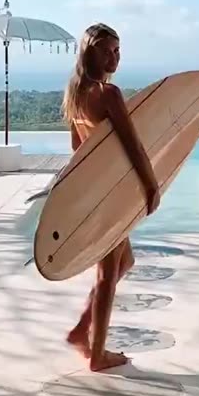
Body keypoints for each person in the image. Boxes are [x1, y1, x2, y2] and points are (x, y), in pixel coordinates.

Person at [62, 23, 161, 372]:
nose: (114, 57)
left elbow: (77, 148)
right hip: (112, 194)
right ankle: (98, 354)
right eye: (107, 51)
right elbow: (134, 146)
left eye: (117, 50)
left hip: (96, 189)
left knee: (124, 261)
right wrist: (151, 186)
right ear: (90, 53)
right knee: (107, 274)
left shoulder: (75, 92)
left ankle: (81, 330)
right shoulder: (109, 93)